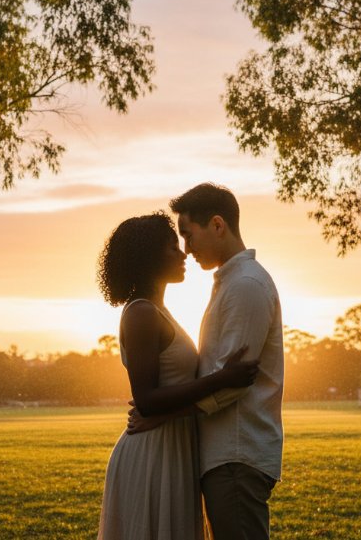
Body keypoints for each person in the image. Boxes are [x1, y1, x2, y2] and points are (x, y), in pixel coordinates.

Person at [132, 184, 285, 540]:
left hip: (236, 453)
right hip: (225, 455)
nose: (186, 248)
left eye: (188, 234)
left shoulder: (246, 285)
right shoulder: (229, 283)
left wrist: (163, 414)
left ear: (217, 225)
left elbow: (234, 382)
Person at [96, 212, 260, 540]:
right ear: (150, 258)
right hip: (152, 453)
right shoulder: (141, 313)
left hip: (173, 448)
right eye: (173, 248)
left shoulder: (159, 311)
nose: (183, 253)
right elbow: (146, 399)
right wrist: (222, 378)